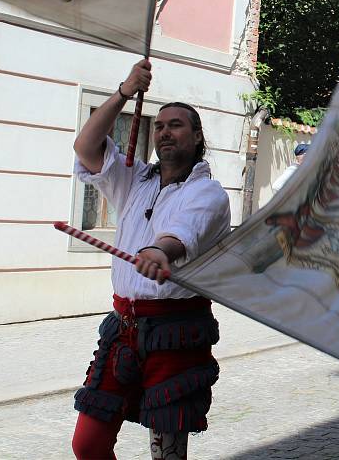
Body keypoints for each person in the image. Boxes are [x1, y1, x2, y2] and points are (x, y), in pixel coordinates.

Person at [71, 60, 232, 459]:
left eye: (176, 125)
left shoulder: (209, 193)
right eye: (159, 125)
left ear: (196, 136)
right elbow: (86, 147)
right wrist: (125, 91)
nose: (164, 131)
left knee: (167, 454)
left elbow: (183, 233)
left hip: (175, 330)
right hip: (122, 328)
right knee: (88, 445)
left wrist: (159, 251)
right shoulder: (133, 180)